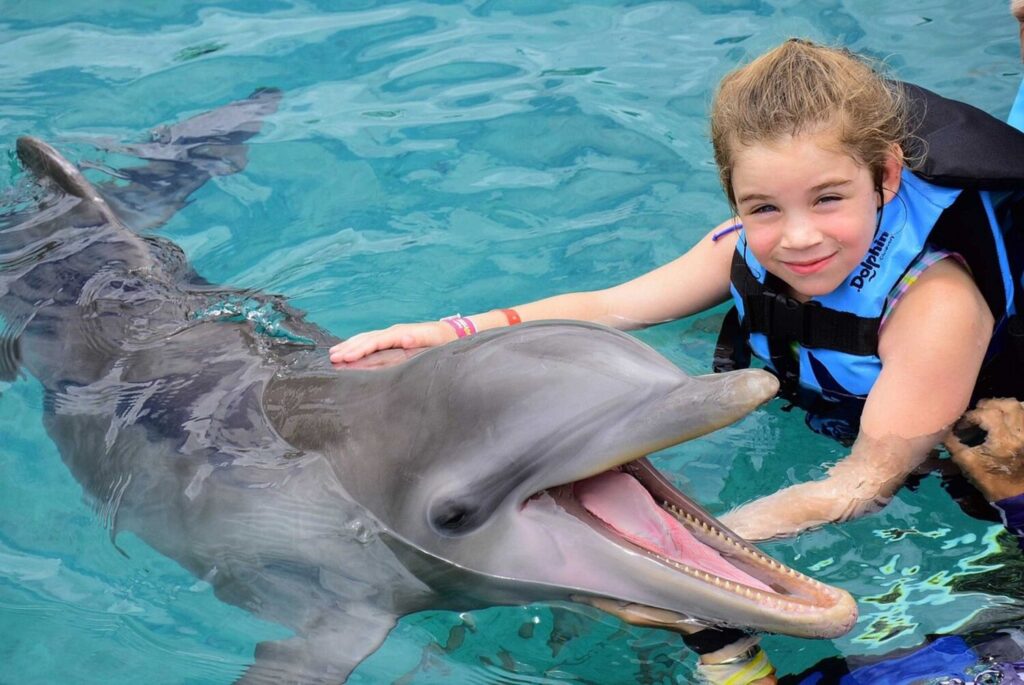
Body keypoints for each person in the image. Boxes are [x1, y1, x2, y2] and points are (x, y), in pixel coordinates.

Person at [330, 36, 1024, 685]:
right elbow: (611, 306)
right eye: (764, 207)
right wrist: (444, 329)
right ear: (733, 197)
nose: (800, 237)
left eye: (829, 198)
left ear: (887, 176)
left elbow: (861, 482)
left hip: (944, 458)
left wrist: (658, 554)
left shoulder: (936, 306)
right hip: (821, 404)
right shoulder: (745, 245)